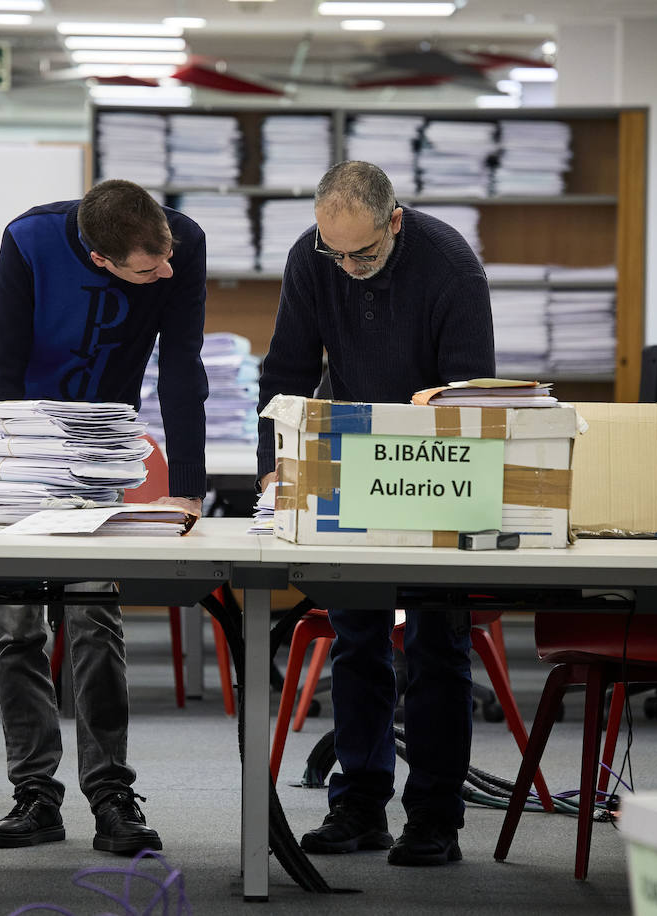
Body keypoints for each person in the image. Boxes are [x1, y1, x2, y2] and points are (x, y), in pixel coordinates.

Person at [256, 161, 495, 867]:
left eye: (363, 253)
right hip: (352, 461)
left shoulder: (452, 268)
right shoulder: (315, 256)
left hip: (441, 471)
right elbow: (288, 369)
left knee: (435, 646)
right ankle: (358, 805)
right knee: (355, 639)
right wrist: (276, 464)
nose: (349, 267)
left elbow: (471, 397)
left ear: (394, 221)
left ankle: (434, 818)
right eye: (338, 253)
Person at [0, 179, 209, 855]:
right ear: (101, 260)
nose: (165, 272)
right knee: (16, 626)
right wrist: (10, 483)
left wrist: (188, 487)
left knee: (93, 617)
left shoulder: (178, 244)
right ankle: (35, 797)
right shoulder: (29, 241)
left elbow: (182, 367)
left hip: (96, 449)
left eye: (165, 258)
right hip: (13, 434)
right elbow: (1, 364)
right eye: (146, 268)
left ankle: (111, 797)